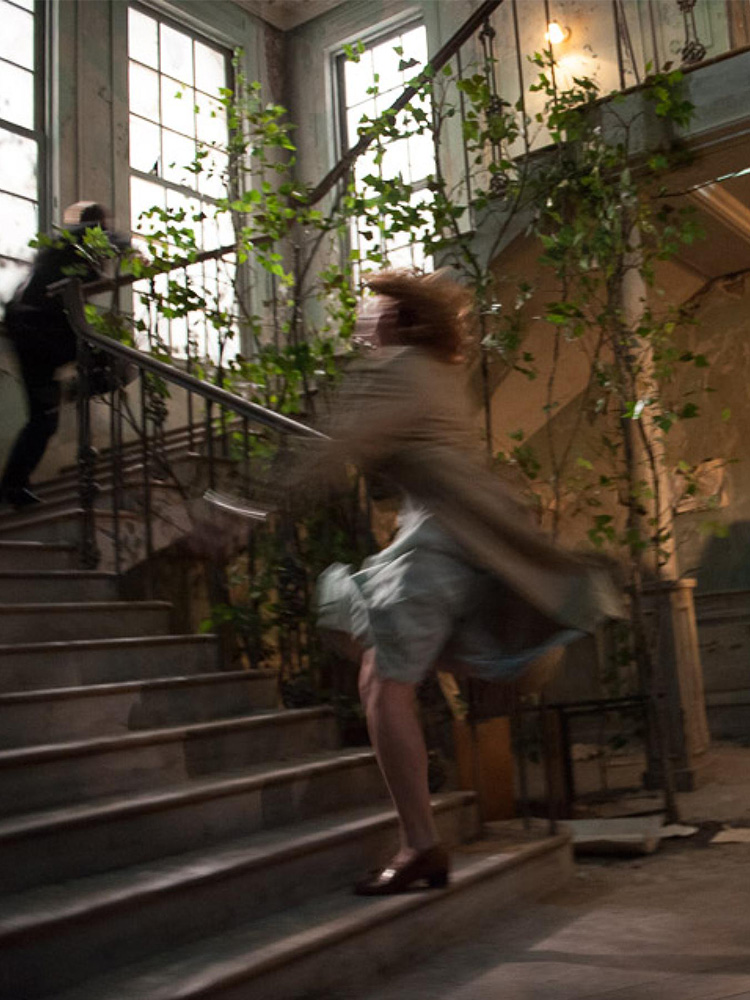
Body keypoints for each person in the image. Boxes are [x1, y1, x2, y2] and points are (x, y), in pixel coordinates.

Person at [312, 269, 623, 895]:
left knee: (384, 684)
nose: (362, 320)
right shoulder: (433, 371)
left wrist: (236, 509)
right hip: (440, 539)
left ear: (395, 318)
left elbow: (333, 449)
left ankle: (421, 845)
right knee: (374, 669)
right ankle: (421, 840)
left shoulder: (400, 368)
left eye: (371, 310)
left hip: (436, 546)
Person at [0, 202, 129, 508]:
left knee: (44, 420)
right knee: (120, 363)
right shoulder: (79, 238)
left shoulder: (60, 248)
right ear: (98, 224)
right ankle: (74, 389)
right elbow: (117, 241)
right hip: (44, 332)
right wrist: (127, 247)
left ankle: (13, 485)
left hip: (33, 333)